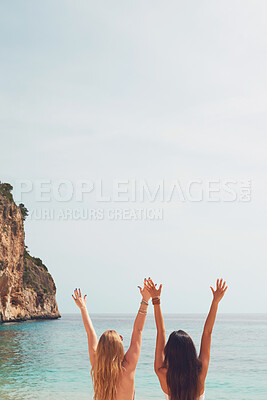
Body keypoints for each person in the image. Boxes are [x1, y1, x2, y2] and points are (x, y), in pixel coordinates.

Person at [145, 278, 228, 400]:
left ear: (169, 351)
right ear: (190, 350)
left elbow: (160, 332)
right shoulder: (199, 373)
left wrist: (156, 300)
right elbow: (207, 333)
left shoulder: (162, 373)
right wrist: (215, 302)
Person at [72, 279, 151, 400]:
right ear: (118, 346)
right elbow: (138, 330)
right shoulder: (128, 366)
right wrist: (145, 300)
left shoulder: (98, 368)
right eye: (119, 338)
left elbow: (90, 333)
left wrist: (83, 307)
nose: (121, 338)